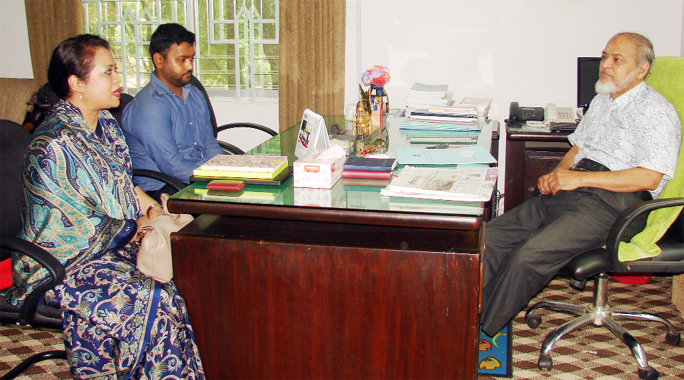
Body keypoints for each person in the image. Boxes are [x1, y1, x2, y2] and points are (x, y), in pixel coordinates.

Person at [5, 34, 205, 379]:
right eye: (108, 72)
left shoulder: (106, 126)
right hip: (59, 261)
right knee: (149, 299)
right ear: (76, 83)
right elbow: (67, 227)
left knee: (179, 286)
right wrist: (137, 228)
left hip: (107, 249)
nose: (119, 81)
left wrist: (155, 211)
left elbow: (122, 184)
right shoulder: (53, 144)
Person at [480, 32, 681, 337]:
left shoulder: (656, 112)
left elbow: (649, 177)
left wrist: (578, 178)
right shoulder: (601, 101)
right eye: (604, 56)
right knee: (489, 238)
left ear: (641, 70)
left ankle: (479, 327)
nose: (606, 64)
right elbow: (577, 150)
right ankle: (462, 308)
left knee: (529, 255)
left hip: (615, 203)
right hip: (575, 190)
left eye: (617, 59)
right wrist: (556, 175)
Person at [122, 23, 223, 201]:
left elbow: (209, 144)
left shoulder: (194, 93)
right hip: (163, 189)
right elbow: (172, 166)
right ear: (159, 60)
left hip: (193, 178)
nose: (190, 66)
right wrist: (216, 178)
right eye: (181, 60)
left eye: (192, 59)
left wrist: (227, 170)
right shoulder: (150, 106)